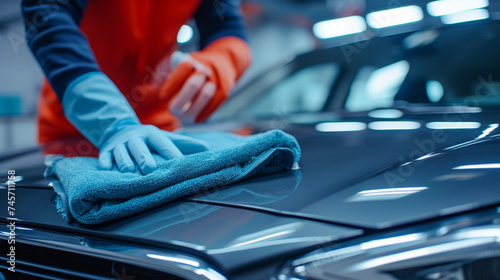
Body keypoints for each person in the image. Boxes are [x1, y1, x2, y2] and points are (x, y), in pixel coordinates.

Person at [21, 0, 252, 174]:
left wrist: (219, 63)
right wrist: (111, 120)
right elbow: (47, 14)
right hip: (73, 138)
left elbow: (227, 27)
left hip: (160, 135)